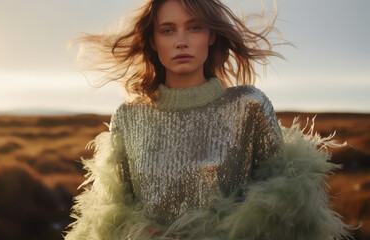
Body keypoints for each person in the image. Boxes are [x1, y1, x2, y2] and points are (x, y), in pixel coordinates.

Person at [63, 0, 357, 239]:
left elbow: (286, 211)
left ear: (211, 35)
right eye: (167, 30)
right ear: (152, 40)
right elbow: (110, 214)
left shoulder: (248, 106)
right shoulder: (128, 118)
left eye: (194, 27)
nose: (181, 41)